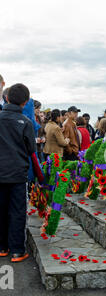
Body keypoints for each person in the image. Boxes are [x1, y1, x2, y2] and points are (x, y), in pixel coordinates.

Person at [0, 83, 44, 262]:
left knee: (1, 210)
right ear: (25, 102)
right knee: (18, 211)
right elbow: (30, 148)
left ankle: (2, 247)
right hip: (18, 173)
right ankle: (18, 250)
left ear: (7, 98)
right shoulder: (25, 122)